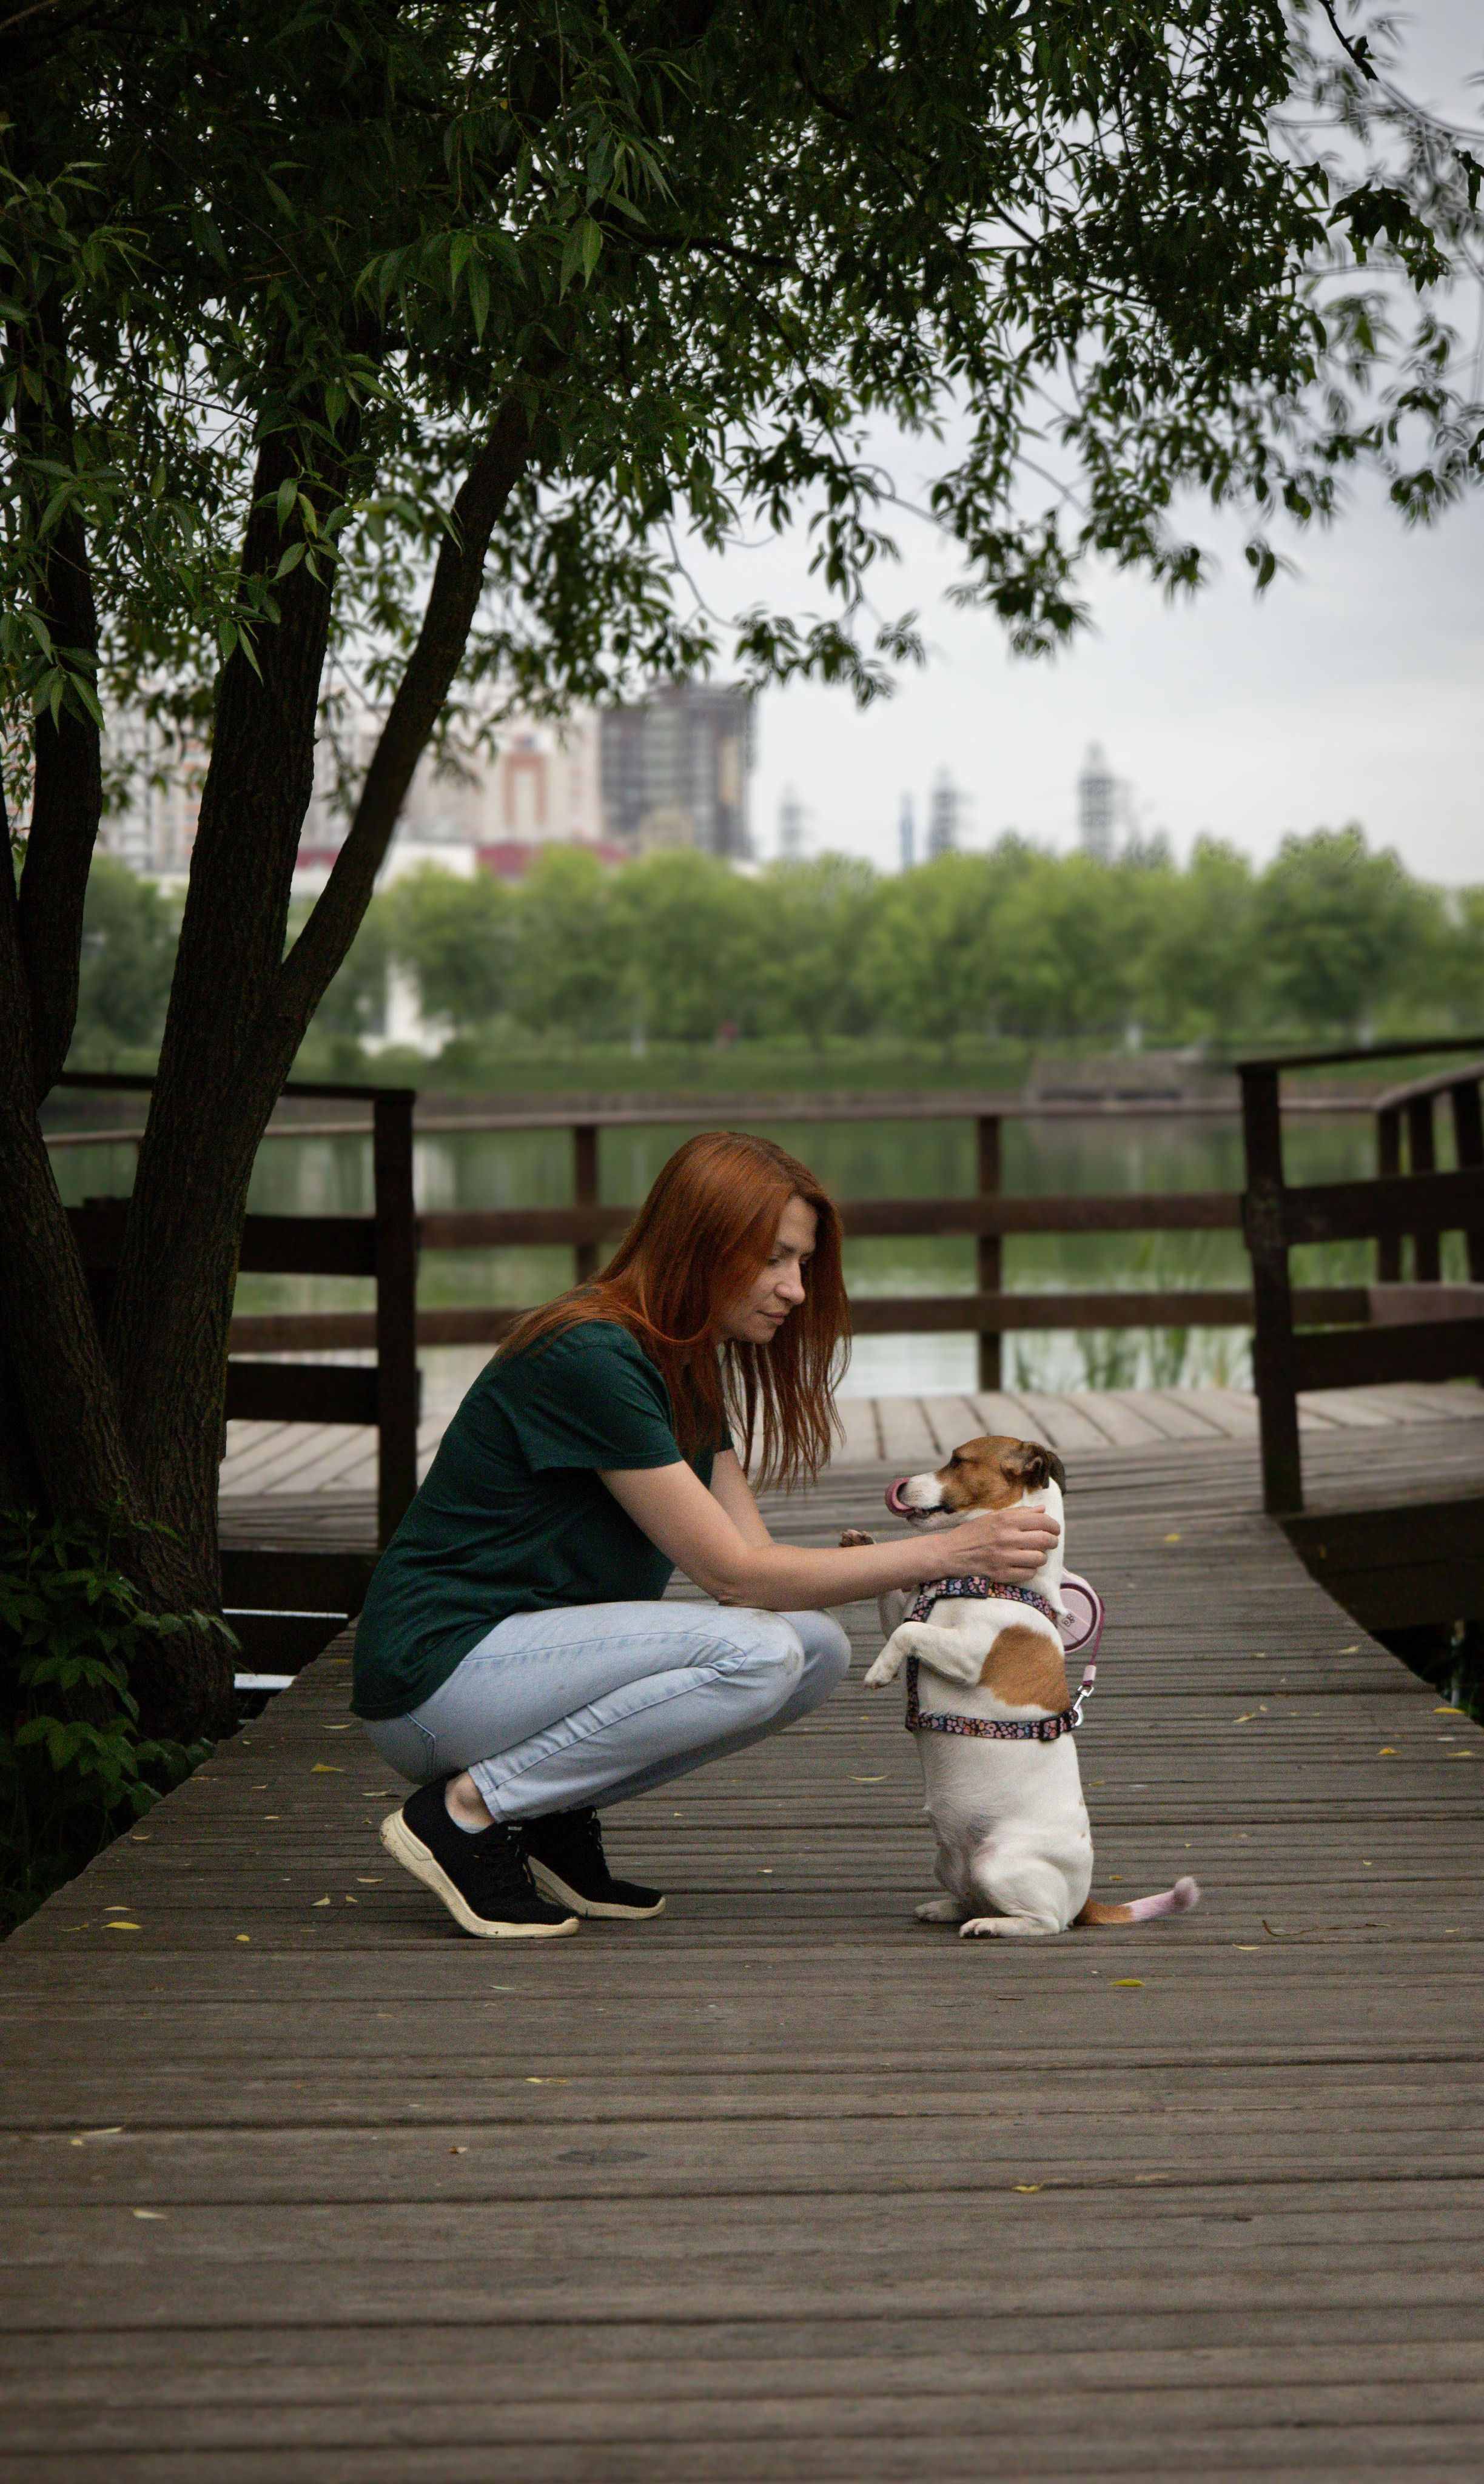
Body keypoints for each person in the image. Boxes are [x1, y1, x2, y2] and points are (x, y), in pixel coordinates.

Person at [354, 1131, 1061, 1939]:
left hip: (507, 1673)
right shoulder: (590, 1354)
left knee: (813, 1647)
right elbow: (739, 1577)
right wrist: (951, 1549)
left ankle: (548, 1814)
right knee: (757, 1651)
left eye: (801, 1265)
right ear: (699, 1242)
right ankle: (465, 1814)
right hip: (434, 1677)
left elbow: (757, 1569)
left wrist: (910, 1565)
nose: (795, 1290)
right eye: (775, 1260)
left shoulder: (681, 1363)